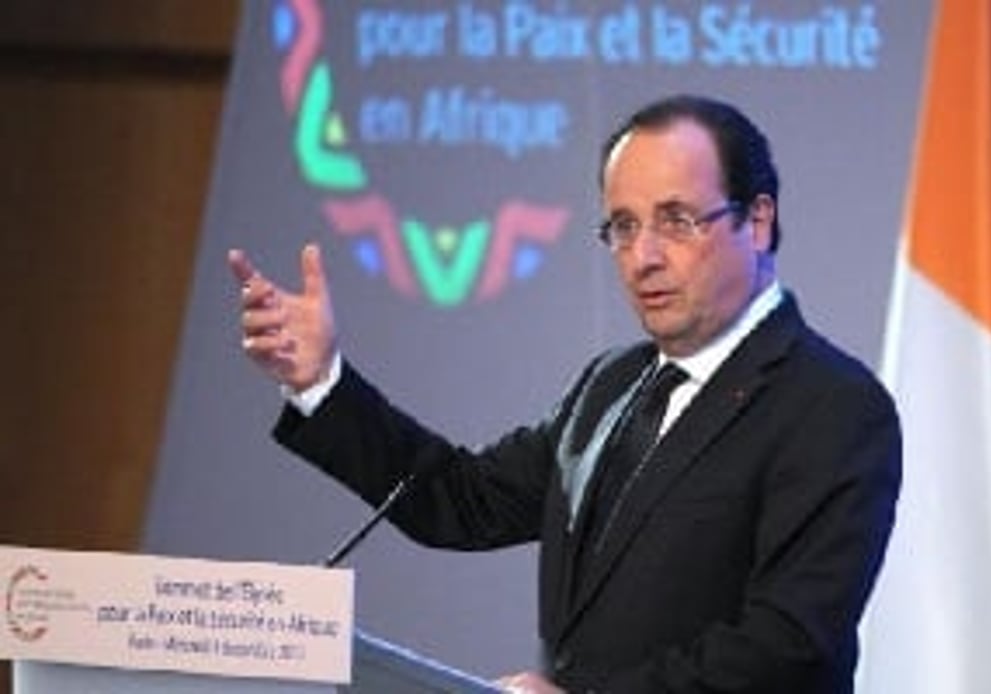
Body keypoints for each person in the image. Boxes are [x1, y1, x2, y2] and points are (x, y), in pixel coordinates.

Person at [229, 94, 901, 693]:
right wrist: (320, 381)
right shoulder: (611, 384)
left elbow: (785, 647)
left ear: (755, 222)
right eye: (623, 226)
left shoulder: (833, 406)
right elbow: (461, 503)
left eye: (675, 221)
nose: (643, 257)